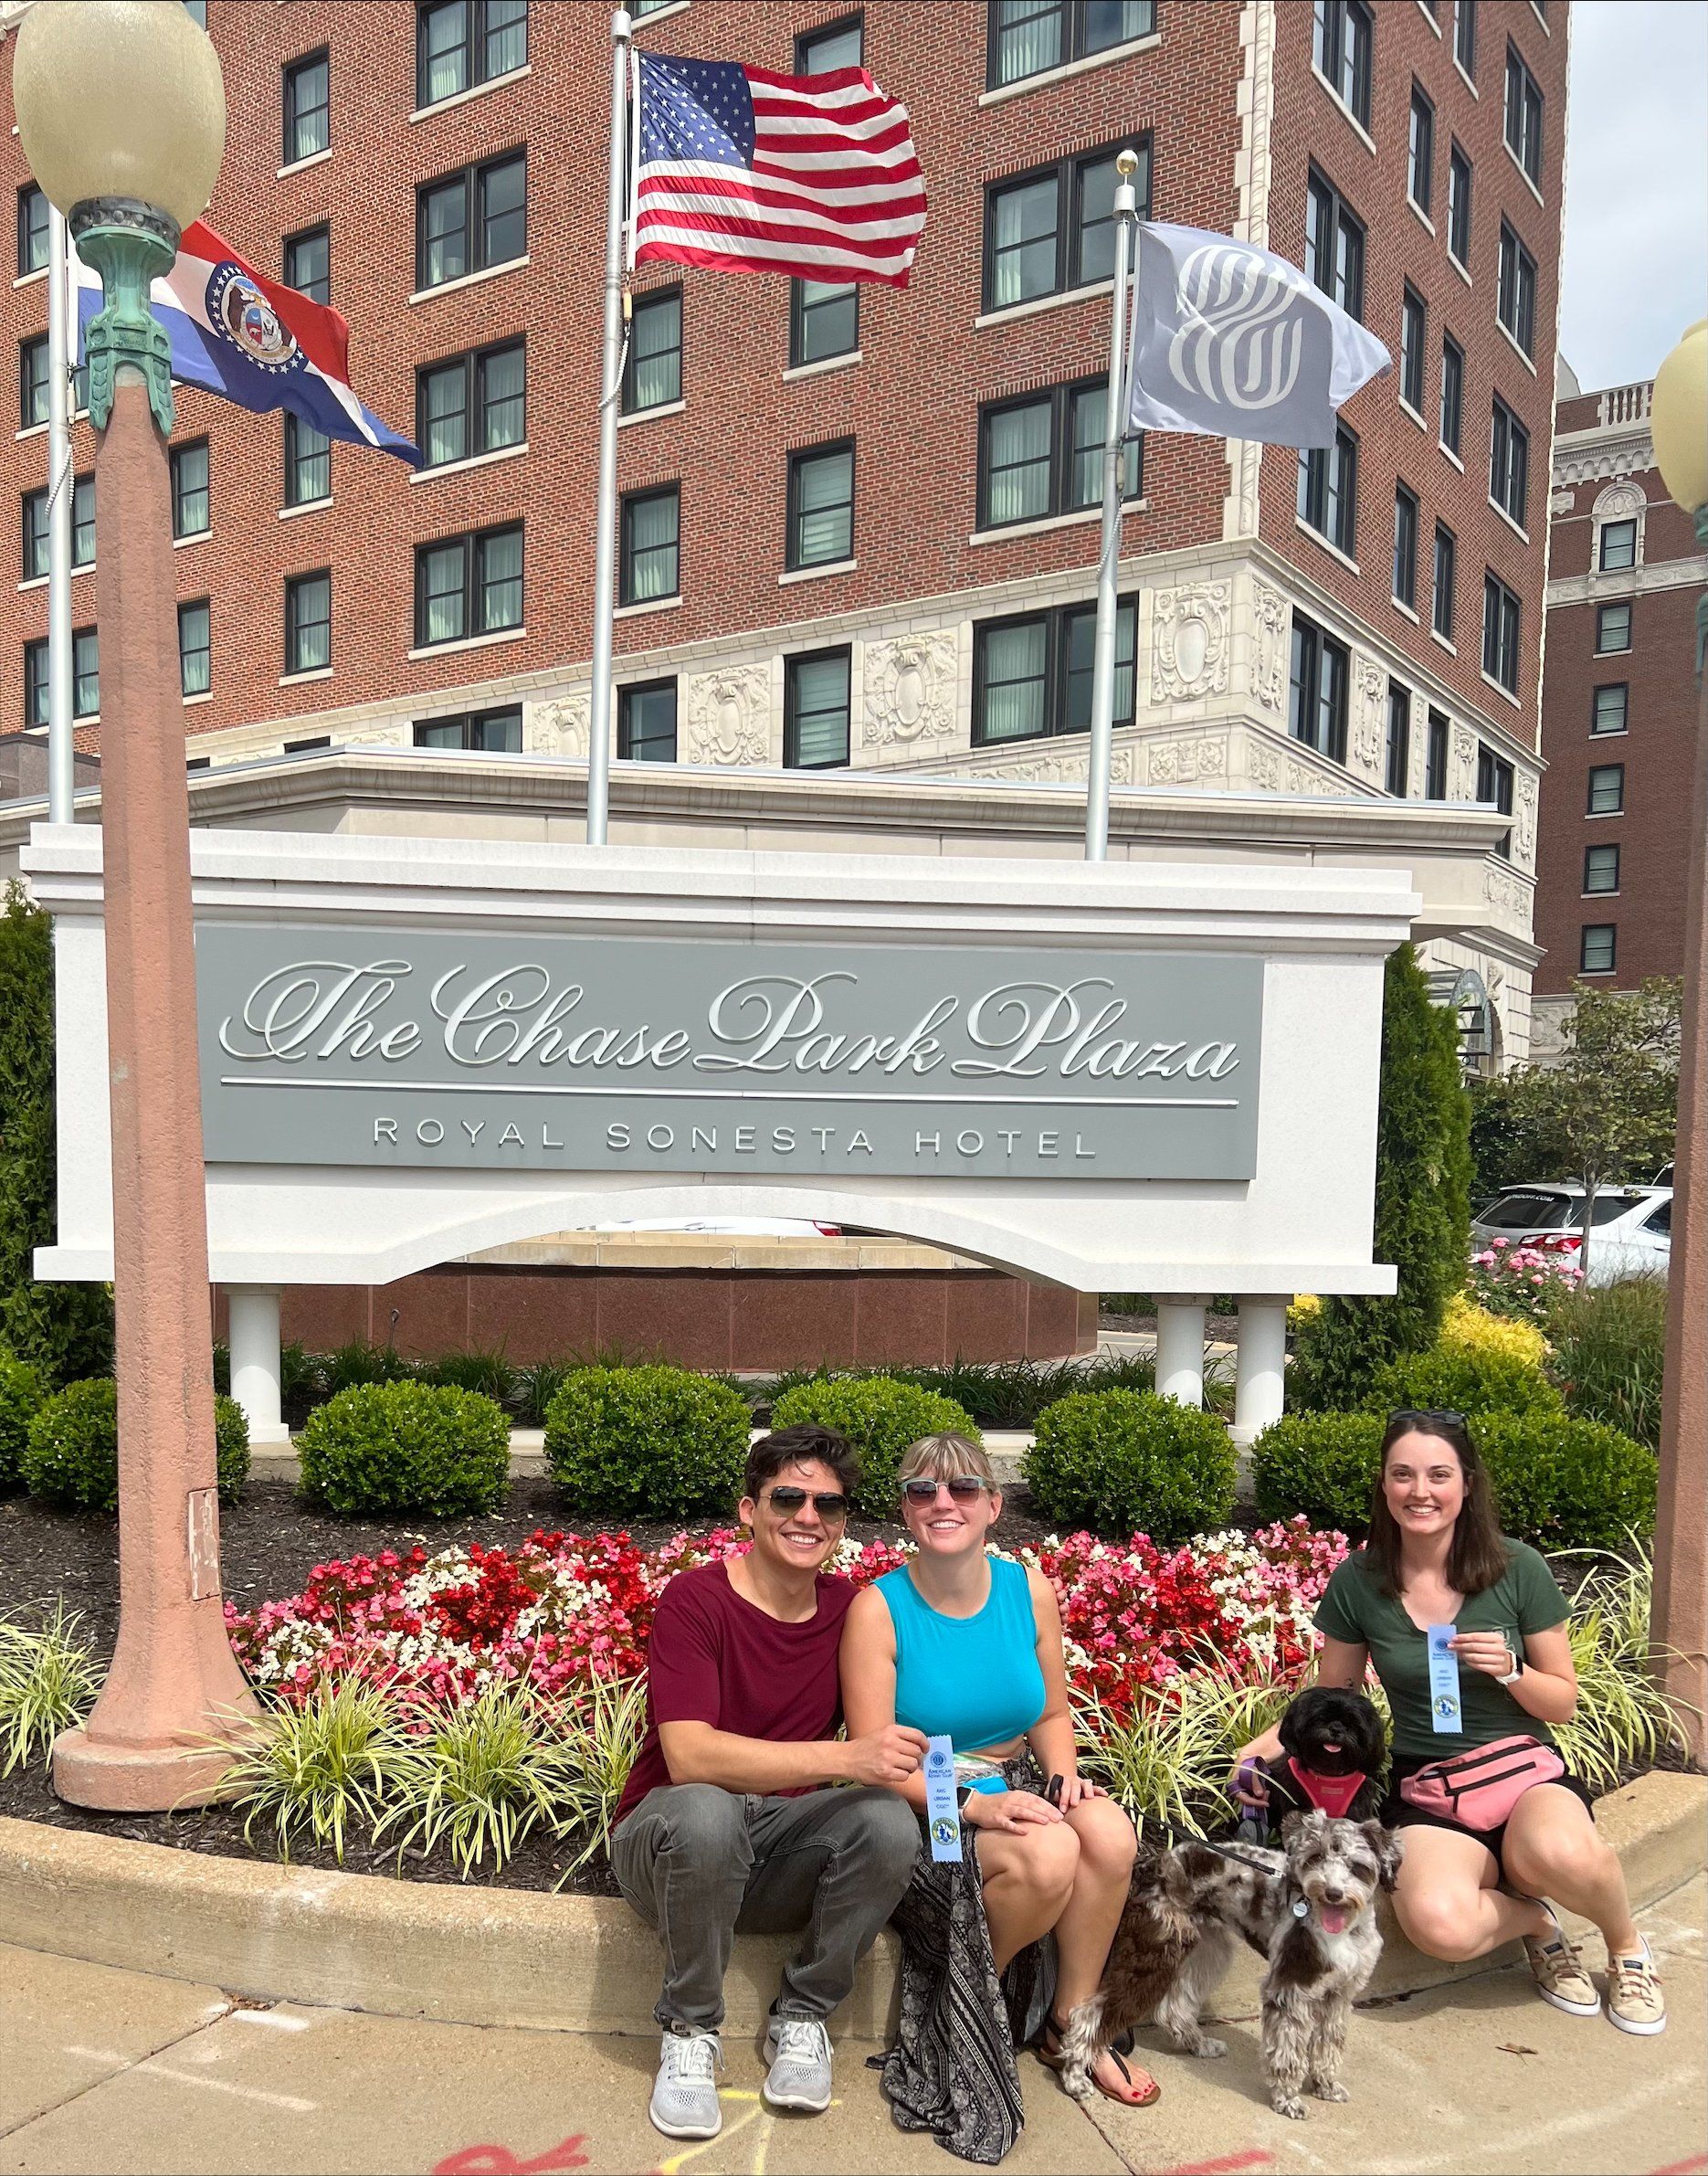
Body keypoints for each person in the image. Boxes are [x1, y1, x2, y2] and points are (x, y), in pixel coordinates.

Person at [1233, 1409, 1665, 2036]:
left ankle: (1626, 1948)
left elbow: (1563, 1702)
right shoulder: (1361, 1579)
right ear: (1384, 1485)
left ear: (1466, 1482)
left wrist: (1513, 1671)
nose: (1420, 1491)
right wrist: (1262, 1748)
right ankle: (1537, 1925)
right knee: (1439, 1923)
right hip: (1432, 1787)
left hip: (1521, 1772)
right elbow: (1337, 1693)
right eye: (1402, 1474)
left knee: (1561, 1850)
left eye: (1438, 1475)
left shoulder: (1519, 1568)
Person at [841, 1433, 1154, 2165]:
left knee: (1107, 1833)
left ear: (993, 1505)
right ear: (904, 1510)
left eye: (962, 1490)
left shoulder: (1027, 1589)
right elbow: (877, 1762)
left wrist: (1066, 1773)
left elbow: (1047, 1712)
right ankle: (964, 2003)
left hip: (1017, 1776)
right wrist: (972, 1807)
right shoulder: (879, 1610)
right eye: (923, 1491)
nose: (942, 1503)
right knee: (1049, 1858)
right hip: (931, 1798)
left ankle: (1071, 2022)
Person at [610, 1425, 927, 2143]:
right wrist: (847, 1759)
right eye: (788, 1496)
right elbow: (689, 1756)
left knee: (884, 1823)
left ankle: (803, 2017)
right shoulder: (696, 1599)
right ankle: (691, 2031)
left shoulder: (852, 1611)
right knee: (707, 1812)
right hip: (666, 1848)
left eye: (829, 1505)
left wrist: (987, 1799)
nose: (808, 1517)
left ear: (844, 1523)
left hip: (776, 1853)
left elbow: (916, 1725)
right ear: (748, 1509)